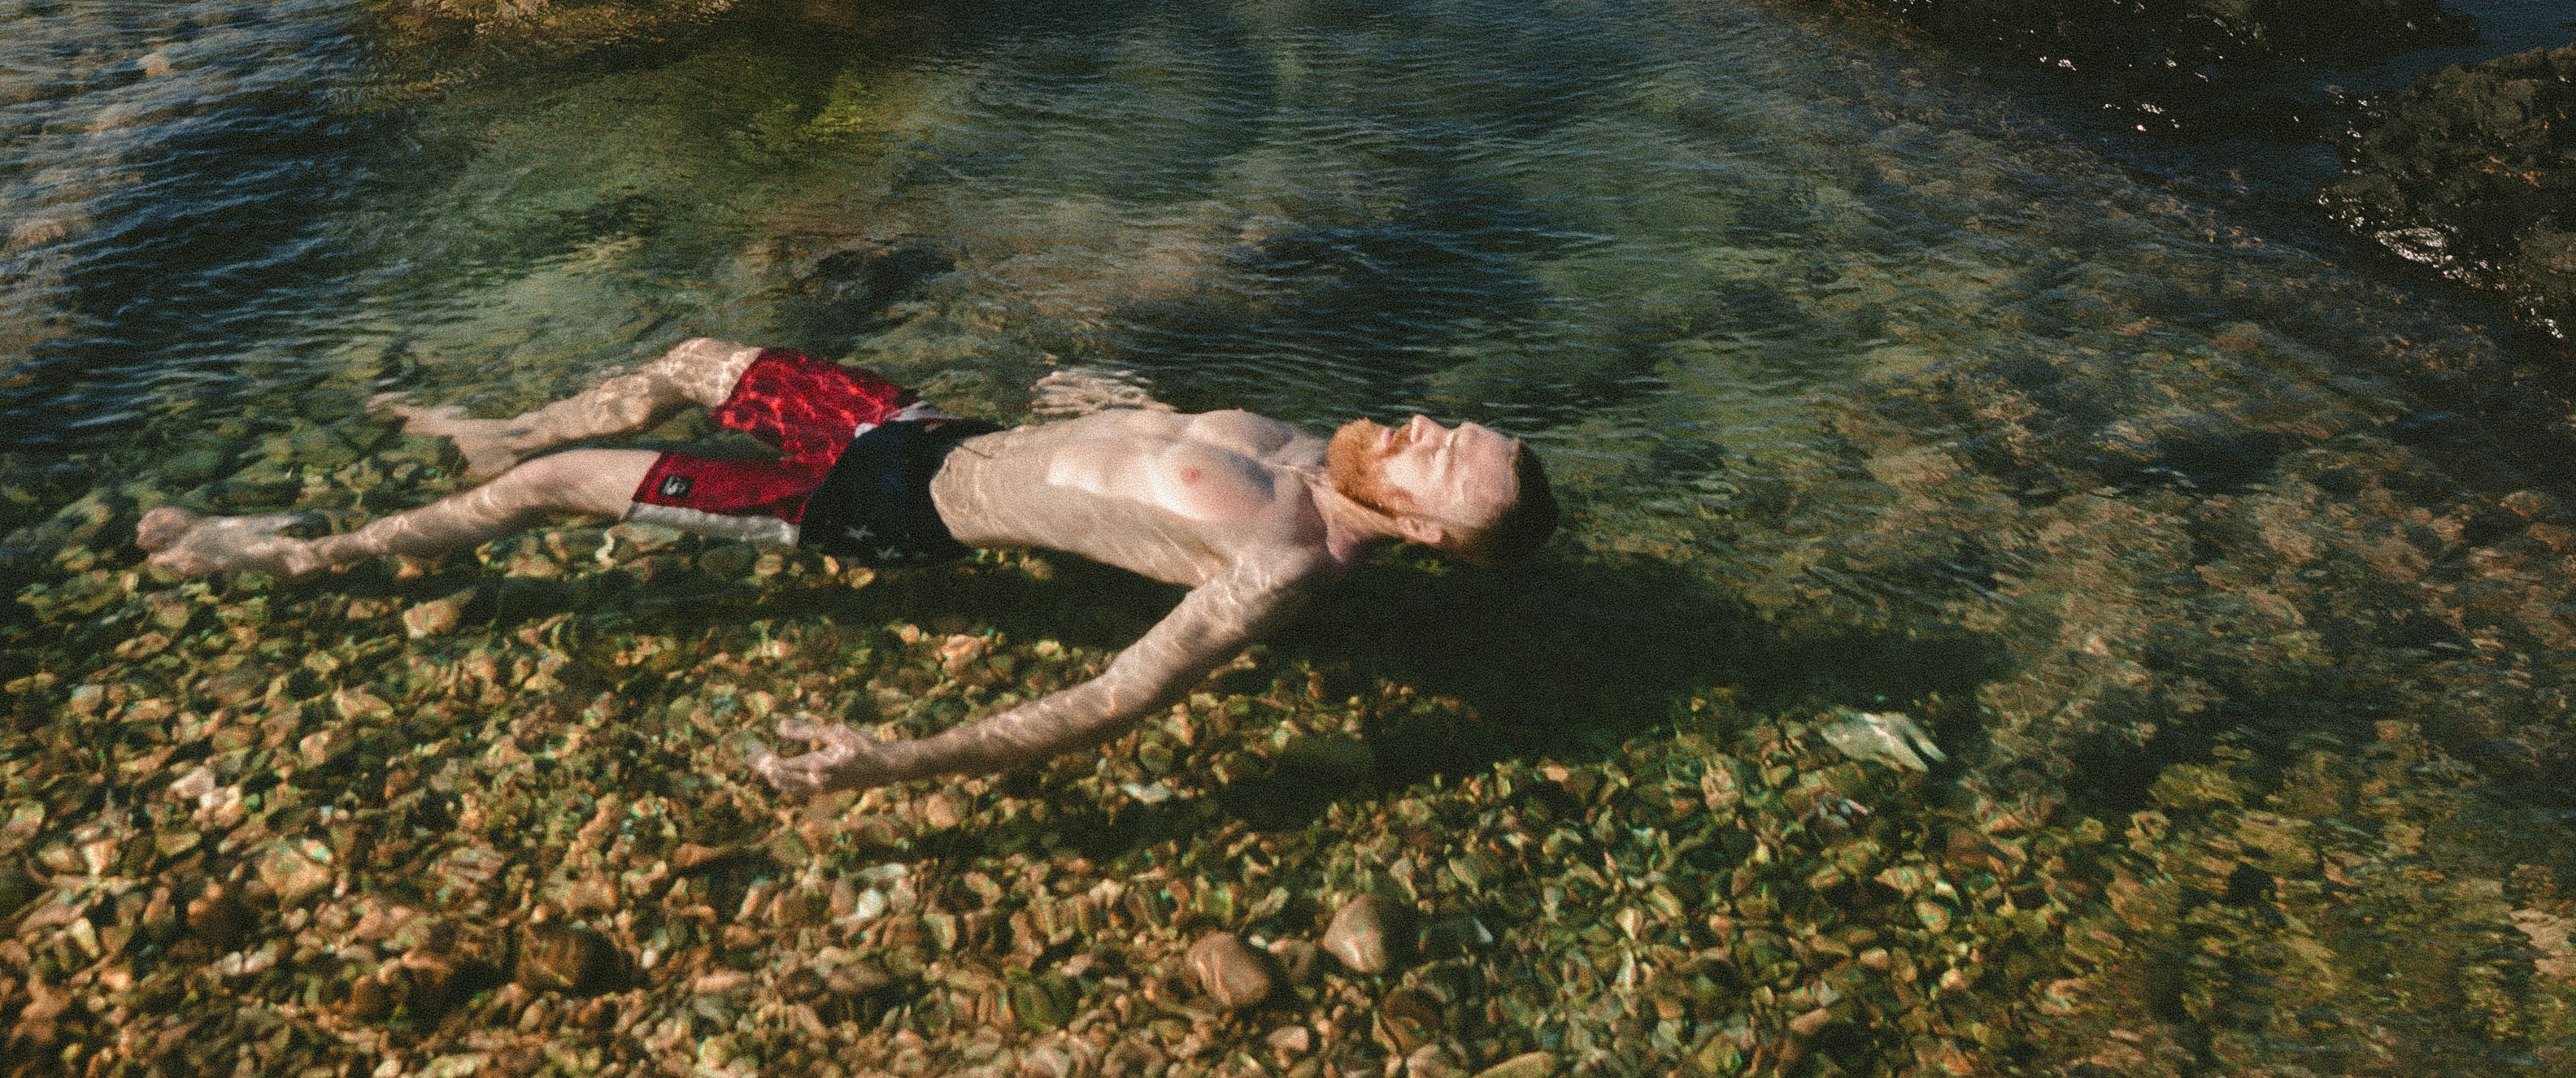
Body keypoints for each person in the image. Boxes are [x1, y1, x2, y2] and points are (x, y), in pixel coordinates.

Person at [134, 337, 1556, 794]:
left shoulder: (1283, 558)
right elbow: (1139, 435)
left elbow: (1121, 695)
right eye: (1449, 424)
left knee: (564, 492)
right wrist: (1088, 387)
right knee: (700, 356)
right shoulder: (1322, 442)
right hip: (932, 428)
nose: (1425, 426)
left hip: (889, 518)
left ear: (1420, 533)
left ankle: (295, 562)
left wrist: (900, 755)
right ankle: (500, 426)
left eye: (1440, 458)